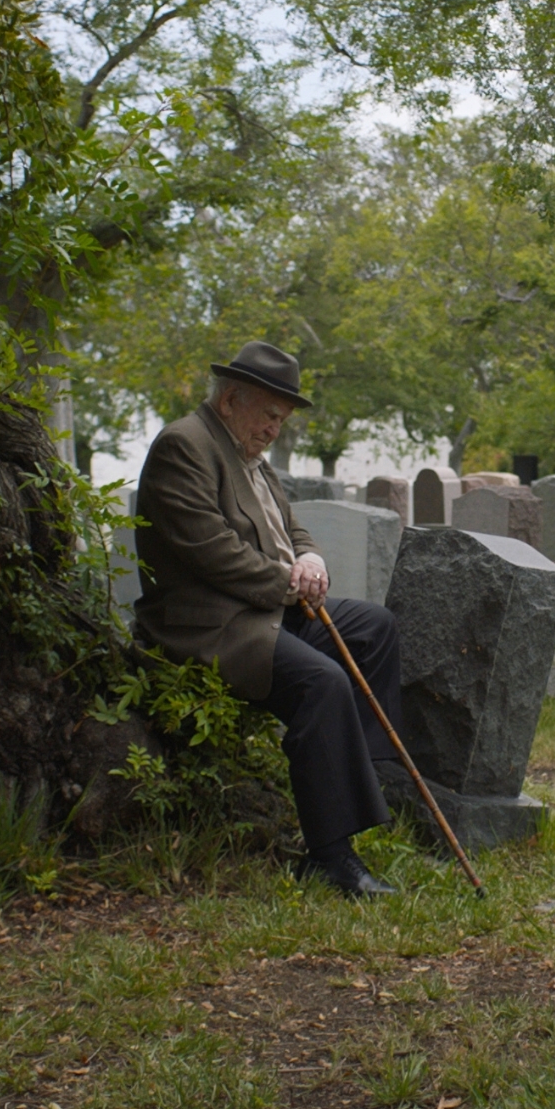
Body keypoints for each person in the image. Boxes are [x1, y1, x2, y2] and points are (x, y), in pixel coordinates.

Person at [132, 340, 401, 897]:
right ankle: (330, 856)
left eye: (282, 418)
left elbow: (289, 528)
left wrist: (311, 558)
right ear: (231, 399)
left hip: (263, 610)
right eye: (270, 414)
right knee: (322, 684)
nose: (276, 428)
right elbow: (210, 551)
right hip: (213, 624)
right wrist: (288, 585)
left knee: (375, 628)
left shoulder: (247, 452)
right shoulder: (185, 445)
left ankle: (369, 785)